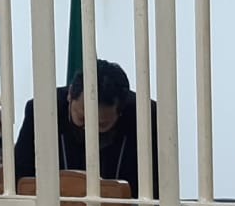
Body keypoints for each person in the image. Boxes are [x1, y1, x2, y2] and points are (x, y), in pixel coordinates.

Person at [12, 59, 159, 197]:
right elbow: (20, 173)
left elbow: (157, 183)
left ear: (120, 112)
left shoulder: (144, 116)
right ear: (70, 96)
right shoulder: (43, 109)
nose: (89, 132)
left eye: (101, 125)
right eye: (82, 119)